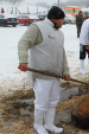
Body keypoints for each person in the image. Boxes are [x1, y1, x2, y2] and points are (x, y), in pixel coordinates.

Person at [18, 6, 71, 134]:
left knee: (53, 102)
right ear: (56, 18)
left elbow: (61, 53)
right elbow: (23, 43)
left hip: (55, 75)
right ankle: (38, 125)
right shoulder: (38, 28)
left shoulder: (59, 33)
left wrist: (65, 70)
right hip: (41, 75)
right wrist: (23, 59)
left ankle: (49, 125)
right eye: (62, 19)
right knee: (42, 103)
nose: (63, 22)